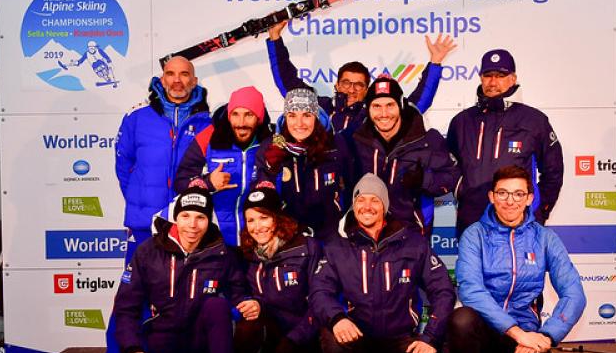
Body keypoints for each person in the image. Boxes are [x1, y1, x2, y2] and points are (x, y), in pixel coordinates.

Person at [309, 174, 456, 353]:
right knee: (330, 333)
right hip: (360, 339)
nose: (367, 206)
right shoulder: (337, 246)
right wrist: (337, 317)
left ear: (385, 206)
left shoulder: (412, 242)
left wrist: (430, 337)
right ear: (353, 205)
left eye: (375, 200)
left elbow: (443, 290)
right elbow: (320, 291)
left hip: (399, 340)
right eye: (361, 200)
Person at [99, 56, 211, 353]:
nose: (177, 81)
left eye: (184, 75)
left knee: (187, 295)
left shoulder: (208, 120)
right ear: (161, 78)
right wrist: (141, 201)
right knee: (130, 295)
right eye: (170, 74)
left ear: (194, 79)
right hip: (143, 222)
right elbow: (123, 165)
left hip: (186, 223)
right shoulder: (137, 117)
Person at [448, 165, 586, 353]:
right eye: (503, 193)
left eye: (518, 194)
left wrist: (546, 336)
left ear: (529, 198)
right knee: (461, 319)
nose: (510, 201)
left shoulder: (545, 238)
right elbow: (471, 290)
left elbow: (574, 293)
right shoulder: (474, 235)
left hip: (524, 333)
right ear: (491, 196)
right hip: (483, 330)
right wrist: (515, 331)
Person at [113, 184, 251, 353]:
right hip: (164, 335)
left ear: (208, 221)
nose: (192, 225)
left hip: (201, 340)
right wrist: (132, 350)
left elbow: (239, 291)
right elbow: (125, 308)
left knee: (217, 305)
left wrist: (248, 302)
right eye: (186, 216)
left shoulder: (222, 253)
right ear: (175, 217)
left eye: (200, 217)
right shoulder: (148, 252)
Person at [229, 182, 324, 353]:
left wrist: (297, 338)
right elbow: (238, 291)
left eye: (264, 218)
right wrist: (251, 303)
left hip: (305, 334)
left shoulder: (307, 247)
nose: (257, 227)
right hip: (274, 331)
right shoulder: (248, 255)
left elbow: (321, 300)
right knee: (246, 326)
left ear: (278, 219)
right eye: (251, 220)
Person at [447, 49, 564, 236]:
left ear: (513, 78)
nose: (493, 82)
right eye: (488, 75)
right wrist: (461, 189)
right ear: (480, 78)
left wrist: (539, 210)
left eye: (501, 75)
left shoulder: (534, 120)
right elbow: (447, 167)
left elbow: (553, 171)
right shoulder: (461, 121)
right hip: (471, 224)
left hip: (519, 227)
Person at [266, 21, 456, 133]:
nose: (351, 88)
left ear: (367, 89)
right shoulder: (320, 107)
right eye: (346, 82)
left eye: (359, 85)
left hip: (364, 192)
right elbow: (288, 83)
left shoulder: (373, 114)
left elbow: (418, 104)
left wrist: (435, 63)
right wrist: (275, 39)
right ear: (337, 84)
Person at [346, 75, 459, 237]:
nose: (384, 113)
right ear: (368, 109)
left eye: (390, 105)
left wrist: (424, 180)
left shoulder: (427, 140)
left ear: (400, 106)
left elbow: (453, 177)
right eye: (376, 106)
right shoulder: (355, 141)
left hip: (411, 233)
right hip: (366, 232)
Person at [176, 85, 273, 246]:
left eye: (249, 115)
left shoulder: (270, 144)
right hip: (215, 240)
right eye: (235, 114)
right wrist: (208, 183)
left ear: (259, 117)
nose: (241, 123)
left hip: (257, 240)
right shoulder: (209, 138)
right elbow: (180, 181)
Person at [256, 87, 351, 241]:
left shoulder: (335, 144)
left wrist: (340, 217)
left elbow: (350, 184)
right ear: (285, 118)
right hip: (289, 238)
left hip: (332, 236)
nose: (299, 123)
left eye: (306, 115)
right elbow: (263, 196)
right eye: (292, 115)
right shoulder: (272, 146)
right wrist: (271, 169)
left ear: (316, 117)